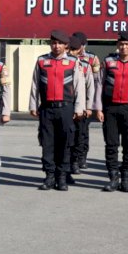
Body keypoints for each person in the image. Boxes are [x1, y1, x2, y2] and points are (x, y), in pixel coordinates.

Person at [92, 32, 128, 192]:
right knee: (111, 145)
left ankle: (125, 179)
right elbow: (99, 85)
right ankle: (113, 178)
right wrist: (99, 108)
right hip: (110, 109)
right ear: (118, 45)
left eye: (127, 44)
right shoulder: (108, 62)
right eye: (121, 44)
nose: (124, 47)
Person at [29, 31, 85, 191]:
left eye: (60, 43)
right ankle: (49, 176)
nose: (56, 46)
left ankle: (61, 178)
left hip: (66, 108)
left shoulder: (74, 62)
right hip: (47, 109)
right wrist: (33, 105)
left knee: (65, 144)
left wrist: (79, 108)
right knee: (47, 144)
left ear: (66, 45)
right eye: (54, 43)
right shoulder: (42, 61)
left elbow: (79, 87)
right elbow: (35, 85)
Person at [71, 31, 100, 169]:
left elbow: (94, 82)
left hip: (84, 100)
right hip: (69, 100)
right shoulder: (68, 57)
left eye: (80, 45)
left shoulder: (92, 58)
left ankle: (81, 157)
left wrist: (90, 105)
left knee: (83, 132)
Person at [66, 35, 94, 179]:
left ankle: (76, 161)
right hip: (65, 106)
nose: (71, 52)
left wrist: (89, 107)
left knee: (79, 136)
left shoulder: (85, 65)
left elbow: (90, 87)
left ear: (79, 50)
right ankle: (65, 165)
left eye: (74, 49)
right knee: (66, 138)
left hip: (81, 108)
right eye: (69, 49)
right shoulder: (62, 63)